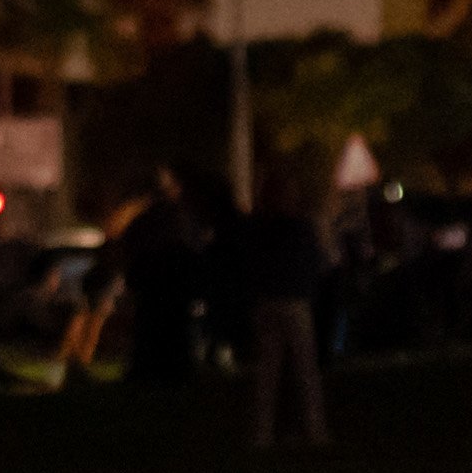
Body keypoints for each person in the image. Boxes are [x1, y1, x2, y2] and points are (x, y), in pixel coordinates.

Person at [222, 176, 333, 449]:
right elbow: (316, 263)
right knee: (304, 370)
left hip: (269, 302)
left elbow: (249, 265)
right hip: (294, 302)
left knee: (268, 373)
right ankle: (314, 431)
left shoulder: (260, 228)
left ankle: (264, 433)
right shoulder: (300, 226)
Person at [110, 171, 217, 389]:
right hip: (172, 293)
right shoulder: (179, 220)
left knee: (151, 339)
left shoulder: (146, 222)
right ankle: (172, 375)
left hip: (154, 294)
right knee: (174, 342)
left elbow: (129, 254)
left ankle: (153, 375)